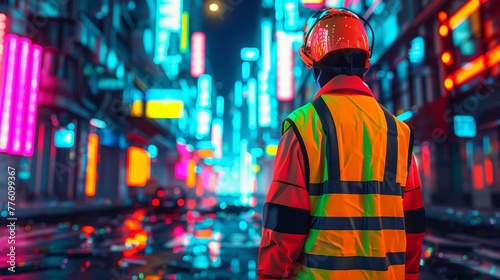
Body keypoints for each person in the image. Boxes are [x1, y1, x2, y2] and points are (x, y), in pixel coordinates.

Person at [257, 8, 425, 280]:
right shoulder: (399, 131)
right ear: (365, 63)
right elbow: (414, 226)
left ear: (312, 61)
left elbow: (284, 224)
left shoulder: (303, 125)